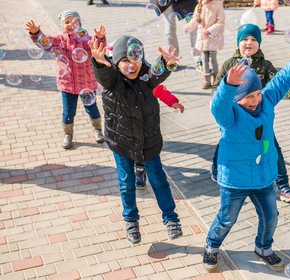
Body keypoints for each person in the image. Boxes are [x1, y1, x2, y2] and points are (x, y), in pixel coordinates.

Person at [203, 43, 290, 272]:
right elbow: (217, 106)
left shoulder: (266, 102)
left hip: (263, 176)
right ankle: (212, 247)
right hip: (235, 179)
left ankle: (263, 248)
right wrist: (229, 85)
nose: (254, 100)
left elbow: (280, 82)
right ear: (236, 98)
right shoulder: (230, 116)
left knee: (271, 216)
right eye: (248, 97)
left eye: (257, 94)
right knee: (227, 219)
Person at [88, 35, 183, 244]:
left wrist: (166, 63)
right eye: (125, 61)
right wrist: (98, 62)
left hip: (149, 140)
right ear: (117, 62)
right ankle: (131, 221)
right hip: (121, 142)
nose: (132, 66)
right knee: (126, 182)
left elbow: (156, 74)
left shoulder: (146, 79)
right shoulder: (112, 81)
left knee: (159, 180)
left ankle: (171, 218)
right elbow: (103, 74)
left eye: (136, 59)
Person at [210, 23, 290, 203]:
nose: (249, 43)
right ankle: (217, 168)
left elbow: (279, 84)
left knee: (273, 150)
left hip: (260, 121)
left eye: (253, 39)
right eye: (244, 39)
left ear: (259, 43)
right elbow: (216, 88)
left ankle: (283, 185)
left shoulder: (264, 65)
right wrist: (224, 97)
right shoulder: (230, 64)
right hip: (236, 120)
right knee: (226, 145)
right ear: (238, 43)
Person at [26, 11, 106, 150]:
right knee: (68, 112)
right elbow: (45, 42)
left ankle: (98, 130)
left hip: (86, 82)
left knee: (91, 108)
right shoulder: (59, 40)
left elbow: (97, 47)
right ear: (63, 26)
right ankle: (68, 135)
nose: (70, 24)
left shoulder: (86, 39)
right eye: (67, 22)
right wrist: (37, 33)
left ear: (79, 24)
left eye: (74, 22)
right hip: (67, 84)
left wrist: (100, 37)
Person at [135, 84, 185, 190]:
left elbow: (160, 90)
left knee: (147, 149)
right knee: (136, 149)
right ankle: (139, 170)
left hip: (149, 124)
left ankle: (142, 169)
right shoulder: (120, 79)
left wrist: (173, 102)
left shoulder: (147, 78)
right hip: (130, 124)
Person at [184, 0, 225, 89]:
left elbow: (221, 22)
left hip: (213, 38)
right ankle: (206, 79)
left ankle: (216, 78)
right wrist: (188, 27)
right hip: (202, 39)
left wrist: (210, 30)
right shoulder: (200, 5)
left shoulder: (217, 5)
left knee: (213, 59)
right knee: (204, 59)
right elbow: (194, 20)